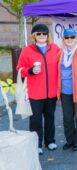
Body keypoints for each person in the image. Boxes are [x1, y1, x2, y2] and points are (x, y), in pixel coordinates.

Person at [16, 23, 60, 155]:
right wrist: (29, 70)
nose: (42, 36)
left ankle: (50, 141)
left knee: (50, 118)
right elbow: (19, 68)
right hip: (35, 92)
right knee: (35, 120)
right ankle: (36, 144)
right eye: (39, 33)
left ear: (48, 35)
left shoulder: (55, 48)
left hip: (51, 92)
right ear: (34, 36)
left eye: (44, 33)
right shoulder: (27, 50)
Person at [57, 28, 77, 151]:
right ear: (63, 39)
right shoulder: (60, 53)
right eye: (67, 37)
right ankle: (69, 140)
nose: (69, 40)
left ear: (76, 38)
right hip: (64, 91)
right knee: (67, 117)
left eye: (72, 37)